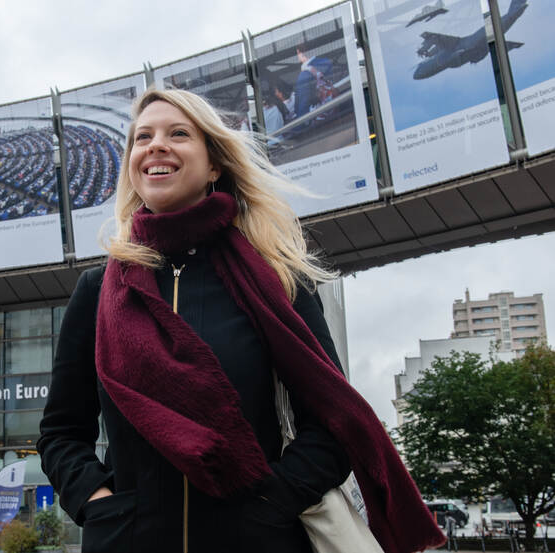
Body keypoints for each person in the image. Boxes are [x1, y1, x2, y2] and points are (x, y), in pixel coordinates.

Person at [38, 88, 444, 553]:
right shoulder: (96, 292)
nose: (155, 145)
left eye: (178, 134)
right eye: (142, 137)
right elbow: (61, 434)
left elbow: (332, 425)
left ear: (214, 165)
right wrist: (99, 504)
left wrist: (270, 503)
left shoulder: (277, 278)